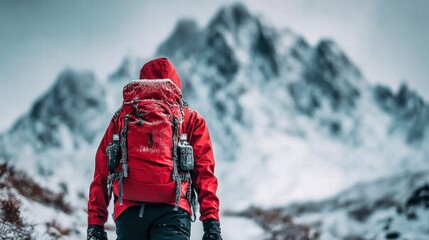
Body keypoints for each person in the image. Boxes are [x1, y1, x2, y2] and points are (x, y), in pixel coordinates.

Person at [87, 58, 223, 240]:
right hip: (174, 209)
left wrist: (95, 225)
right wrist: (211, 223)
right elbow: (204, 173)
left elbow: (103, 170)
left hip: (129, 211)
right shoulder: (191, 119)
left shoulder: (122, 116)